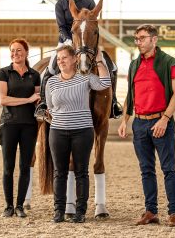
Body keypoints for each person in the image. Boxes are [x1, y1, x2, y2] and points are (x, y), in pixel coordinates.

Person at [117, 24, 175, 227]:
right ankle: (151, 211)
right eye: (136, 38)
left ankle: (173, 212)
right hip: (140, 124)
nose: (138, 42)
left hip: (161, 122)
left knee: (168, 169)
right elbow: (131, 94)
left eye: (142, 38)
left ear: (154, 40)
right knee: (146, 170)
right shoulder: (133, 65)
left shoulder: (168, 63)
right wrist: (125, 120)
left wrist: (165, 119)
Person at [35, 0, 122, 120]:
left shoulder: (89, 2)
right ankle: (43, 103)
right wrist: (68, 40)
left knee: (111, 66)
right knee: (50, 68)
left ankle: (113, 102)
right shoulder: (60, 4)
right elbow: (61, 26)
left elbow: (92, 26)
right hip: (66, 41)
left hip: (87, 45)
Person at [46, 45, 111, 223]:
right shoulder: (51, 82)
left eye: (64, 58)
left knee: (81, 172)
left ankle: (80, 212)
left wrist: (99, 59)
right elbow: (51, 107)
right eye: (59, 59)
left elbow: (105, 83)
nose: (61, 62)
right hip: (57, 131)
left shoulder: (86, 78)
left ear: (74, 59)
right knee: (59, 172)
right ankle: (58, 211)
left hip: (82, 131)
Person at [0, 38, 41, 218]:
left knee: (25, 166)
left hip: (29, 125)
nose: (15, 53)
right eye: (12, 51)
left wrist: (37, 102)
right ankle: (8, 206)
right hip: (9, 124)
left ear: (26, 53)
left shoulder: (34, 75)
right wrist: (27, 100)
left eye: (19, 50)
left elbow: (37, 99)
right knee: (8, 167)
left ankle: (20, 205)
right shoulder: (4, 72)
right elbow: (3, 100)